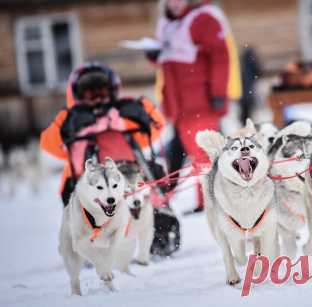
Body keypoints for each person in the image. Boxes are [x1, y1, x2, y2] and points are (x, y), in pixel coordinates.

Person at [146, 0, 242, 213]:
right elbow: (170, 61)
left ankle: (212, 202)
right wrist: (154, 56)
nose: (175, 3)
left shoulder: (203, 18)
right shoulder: (168, 25)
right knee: (195, 155)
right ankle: (204, 201)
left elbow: (220, 57)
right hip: (179, 106)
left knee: (205, 155)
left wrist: (218, 93)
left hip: (201, 103)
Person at [40, 62, 165, 206]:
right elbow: (49, 144)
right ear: (77, 95)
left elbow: (156, 127)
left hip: (130, 178)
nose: (98, 99)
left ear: (112, 91)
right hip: (85, 184)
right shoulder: (69, 118)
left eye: (102, 93)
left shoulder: (124, 110)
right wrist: (80, 129)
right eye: (90, 95)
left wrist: (124, 123)